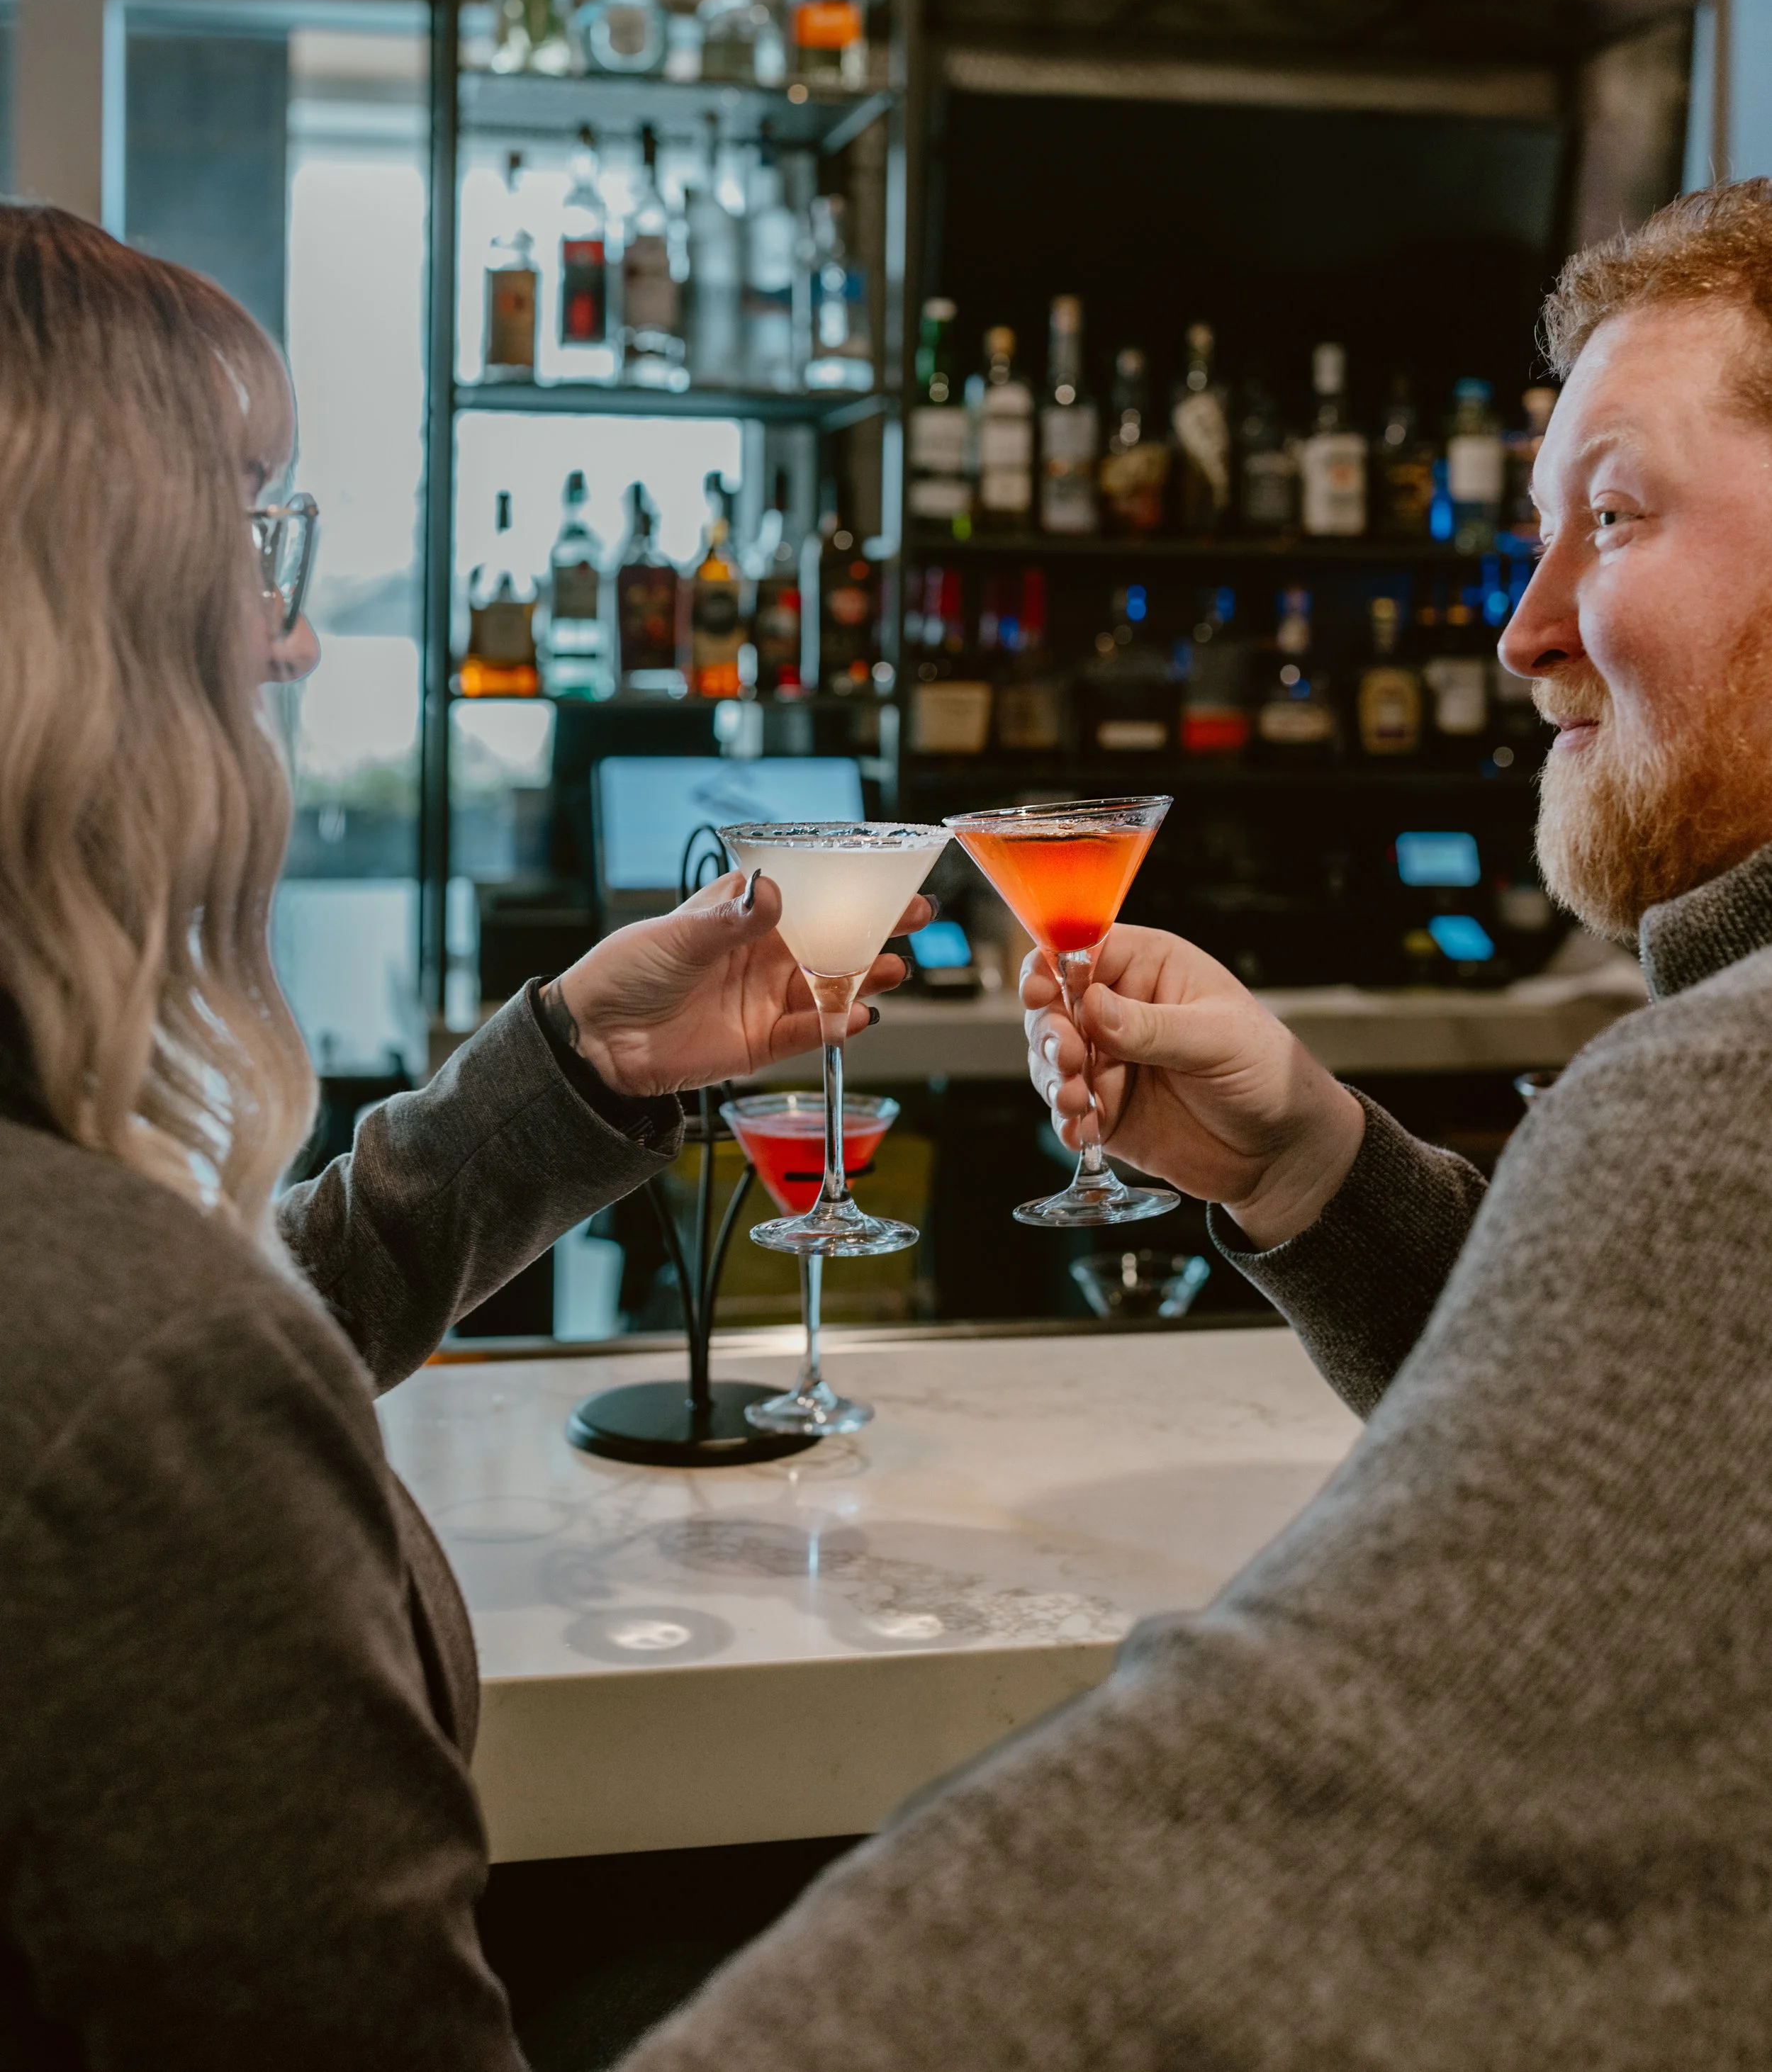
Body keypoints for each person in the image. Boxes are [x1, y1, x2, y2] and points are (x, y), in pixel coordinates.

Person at [615, 176, 1772, 2072]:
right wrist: (1303, 1155)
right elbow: (1676, 1429)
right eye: (1531, 531)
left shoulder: (1714, 1099)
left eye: (1614, 517)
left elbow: (1242, 1843)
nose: (1523, 626)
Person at [0, 204, 926, 2068]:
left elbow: (231, 1342)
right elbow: (171, 1390)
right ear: (104, 624)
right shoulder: (130, 1360)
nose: (293, 635)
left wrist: (580, 1049)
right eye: (254, 541)